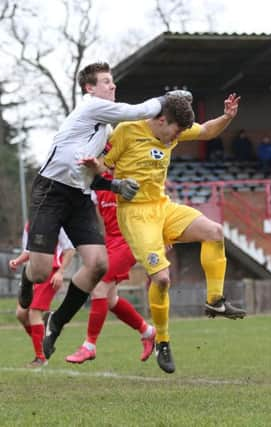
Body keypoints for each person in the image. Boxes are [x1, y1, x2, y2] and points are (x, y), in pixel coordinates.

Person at [21, 61, 176, 361]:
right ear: (89, 89)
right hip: (51, 191)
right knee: (40, 272)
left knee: (98, 265)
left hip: (78, 196)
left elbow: (93, 173)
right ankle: (26, 279)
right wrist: (168, 100)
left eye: (112, 81)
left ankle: (58, 321)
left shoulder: (104, 130)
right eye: (106, 81)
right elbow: (136, 112)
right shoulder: (91, 107)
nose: (112, 86)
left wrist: (115, 186)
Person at [82, 93, 246, 374]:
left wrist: (228, 117)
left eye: (182, 132)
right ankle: (162, 341)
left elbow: (206, 131)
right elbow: (98, 171)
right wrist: (114, 182)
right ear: (160, 120)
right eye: (176, 131)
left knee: (214, 232)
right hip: (135, 214)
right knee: (161, 278)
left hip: (162, 206)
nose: (179, 137)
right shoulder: (127, 131)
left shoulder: (173, 129)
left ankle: (215, 301)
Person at [64, 172, 156, 364]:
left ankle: (89, 346)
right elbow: (96, 218)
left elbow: (155, 204)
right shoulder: (98, 183)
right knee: (111, 299)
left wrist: (164, 235)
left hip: (130, 240)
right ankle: (148, 332)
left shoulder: (132, 174)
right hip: (111, 241)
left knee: (99, 287)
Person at [10, 225, 75, 367]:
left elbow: (70, 250)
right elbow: (28, 251)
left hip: (51, 272)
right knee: (21, 314)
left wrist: (60, 272)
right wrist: (18, 260)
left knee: (34, 312)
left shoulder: (57, 222)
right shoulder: (30, 224)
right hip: (32, 272)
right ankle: (46, 340)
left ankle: (41, 357)